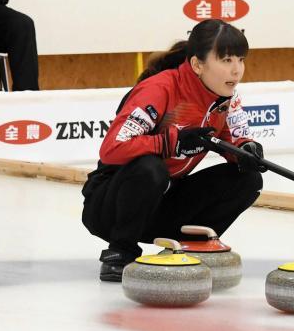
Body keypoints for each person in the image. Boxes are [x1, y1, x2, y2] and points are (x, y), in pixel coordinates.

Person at [81, 19, 264, 281]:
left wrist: (246, 151)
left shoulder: (225, 97)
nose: (237, 70)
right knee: (151, 168)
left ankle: (193, 247)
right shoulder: (160, 88)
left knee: (247, 179)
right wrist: (170, 142)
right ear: (197, 64)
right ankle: (120, 252)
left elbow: (235, 139)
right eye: (226, 60)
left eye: (240, 59)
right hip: (110, 207)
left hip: (162, 204)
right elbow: (112, 148)